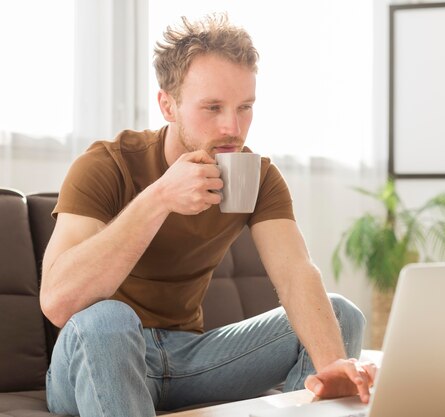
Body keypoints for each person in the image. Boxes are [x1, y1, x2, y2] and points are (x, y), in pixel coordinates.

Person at [39, 12, 376, 417]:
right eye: (212, 107)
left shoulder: (257, 176)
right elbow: (59, 302)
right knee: (107, 319)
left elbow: (296, 273)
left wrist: (332, 367)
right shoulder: (106, 164)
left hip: (188, 360)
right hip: (94, 356)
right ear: (168, 105)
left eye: (245, 107)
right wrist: (159, 197)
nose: (233, 128)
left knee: (340, 314)